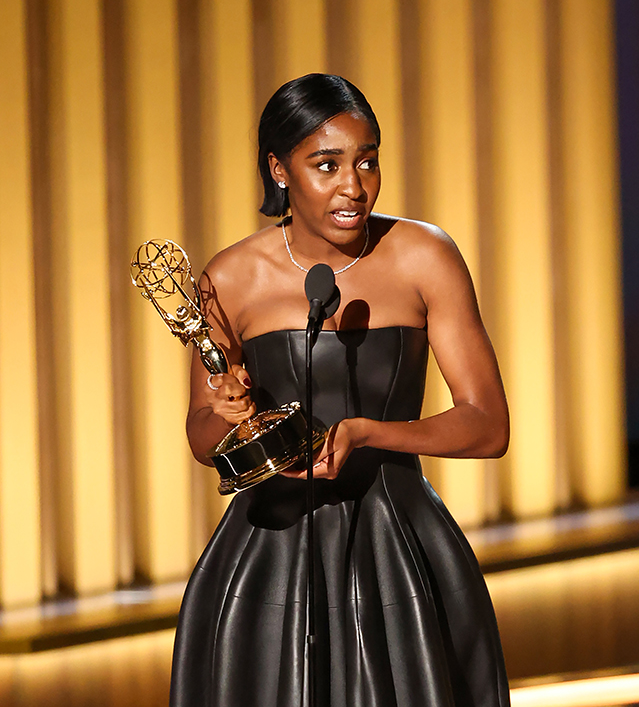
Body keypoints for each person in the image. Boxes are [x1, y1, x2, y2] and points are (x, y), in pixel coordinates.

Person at [171, 73, 510, 707]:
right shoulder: (230, 278)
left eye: (367, 162)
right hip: (269, 562)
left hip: (400, 551)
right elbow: (201, 440)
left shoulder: (423, 256)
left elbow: (488, 425)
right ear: (279, 169)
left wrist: (367, 433)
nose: (353, 186)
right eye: (326, 165)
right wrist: (225, 413)